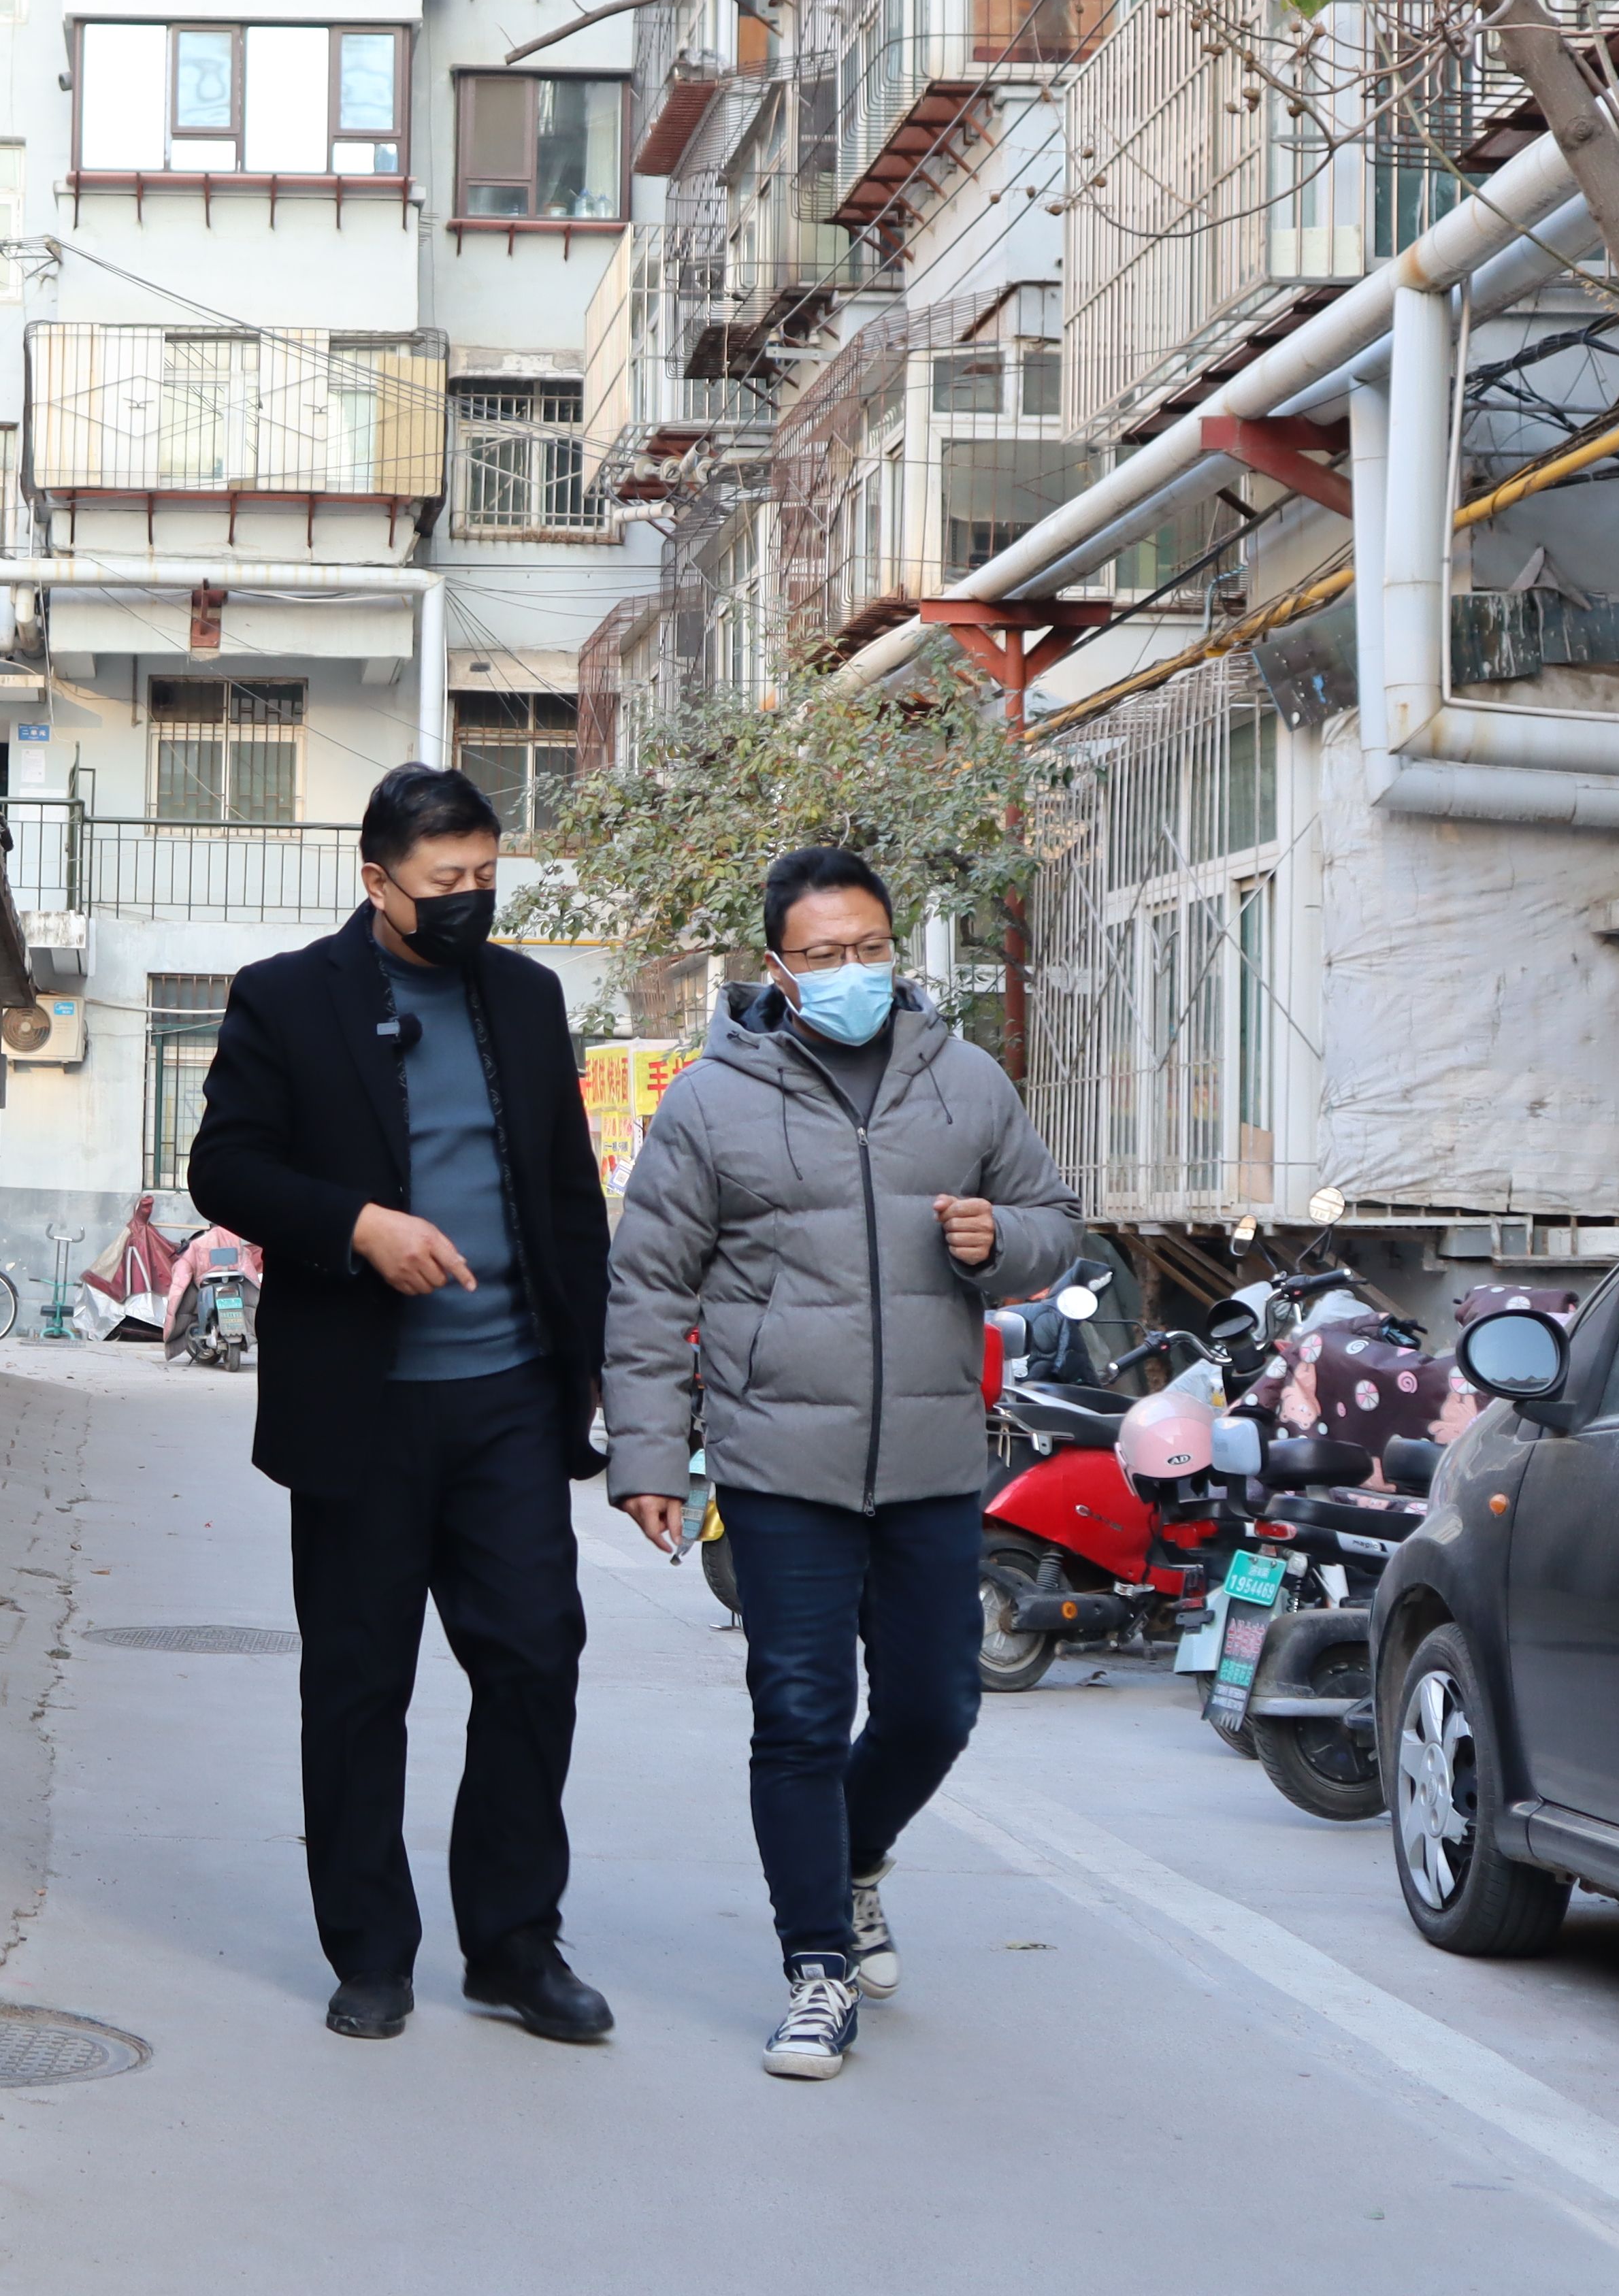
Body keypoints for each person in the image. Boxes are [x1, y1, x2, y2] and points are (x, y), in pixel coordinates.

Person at [604, 846, 1081, 2080]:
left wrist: (1001, 1240)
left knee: (937, 1706)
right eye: (824, 956)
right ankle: (818, 1965)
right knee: (802, 1718)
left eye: (870, 948)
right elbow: (649, 1287)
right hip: (777, 1461)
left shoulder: (966, 1083)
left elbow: (1056, 1227)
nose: (852, 972)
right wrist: (651, 1454)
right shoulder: (711, 1102)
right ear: (777, 968)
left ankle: (855, 1862)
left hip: (928, 1456)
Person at [187, 764, 614, 2045]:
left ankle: (515, 1946)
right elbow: (224, 1168)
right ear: (377, 881)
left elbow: (569, 1199)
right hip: (363, 1410)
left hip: (508, 1402)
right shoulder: (285, 1001)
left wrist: (586, 1375)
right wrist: (359, 1226)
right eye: (445, 885)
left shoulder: (530, 1002)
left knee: (537, 1661)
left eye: (487, 877)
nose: (472, 902)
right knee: (362, 1685)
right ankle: (371, 1952)